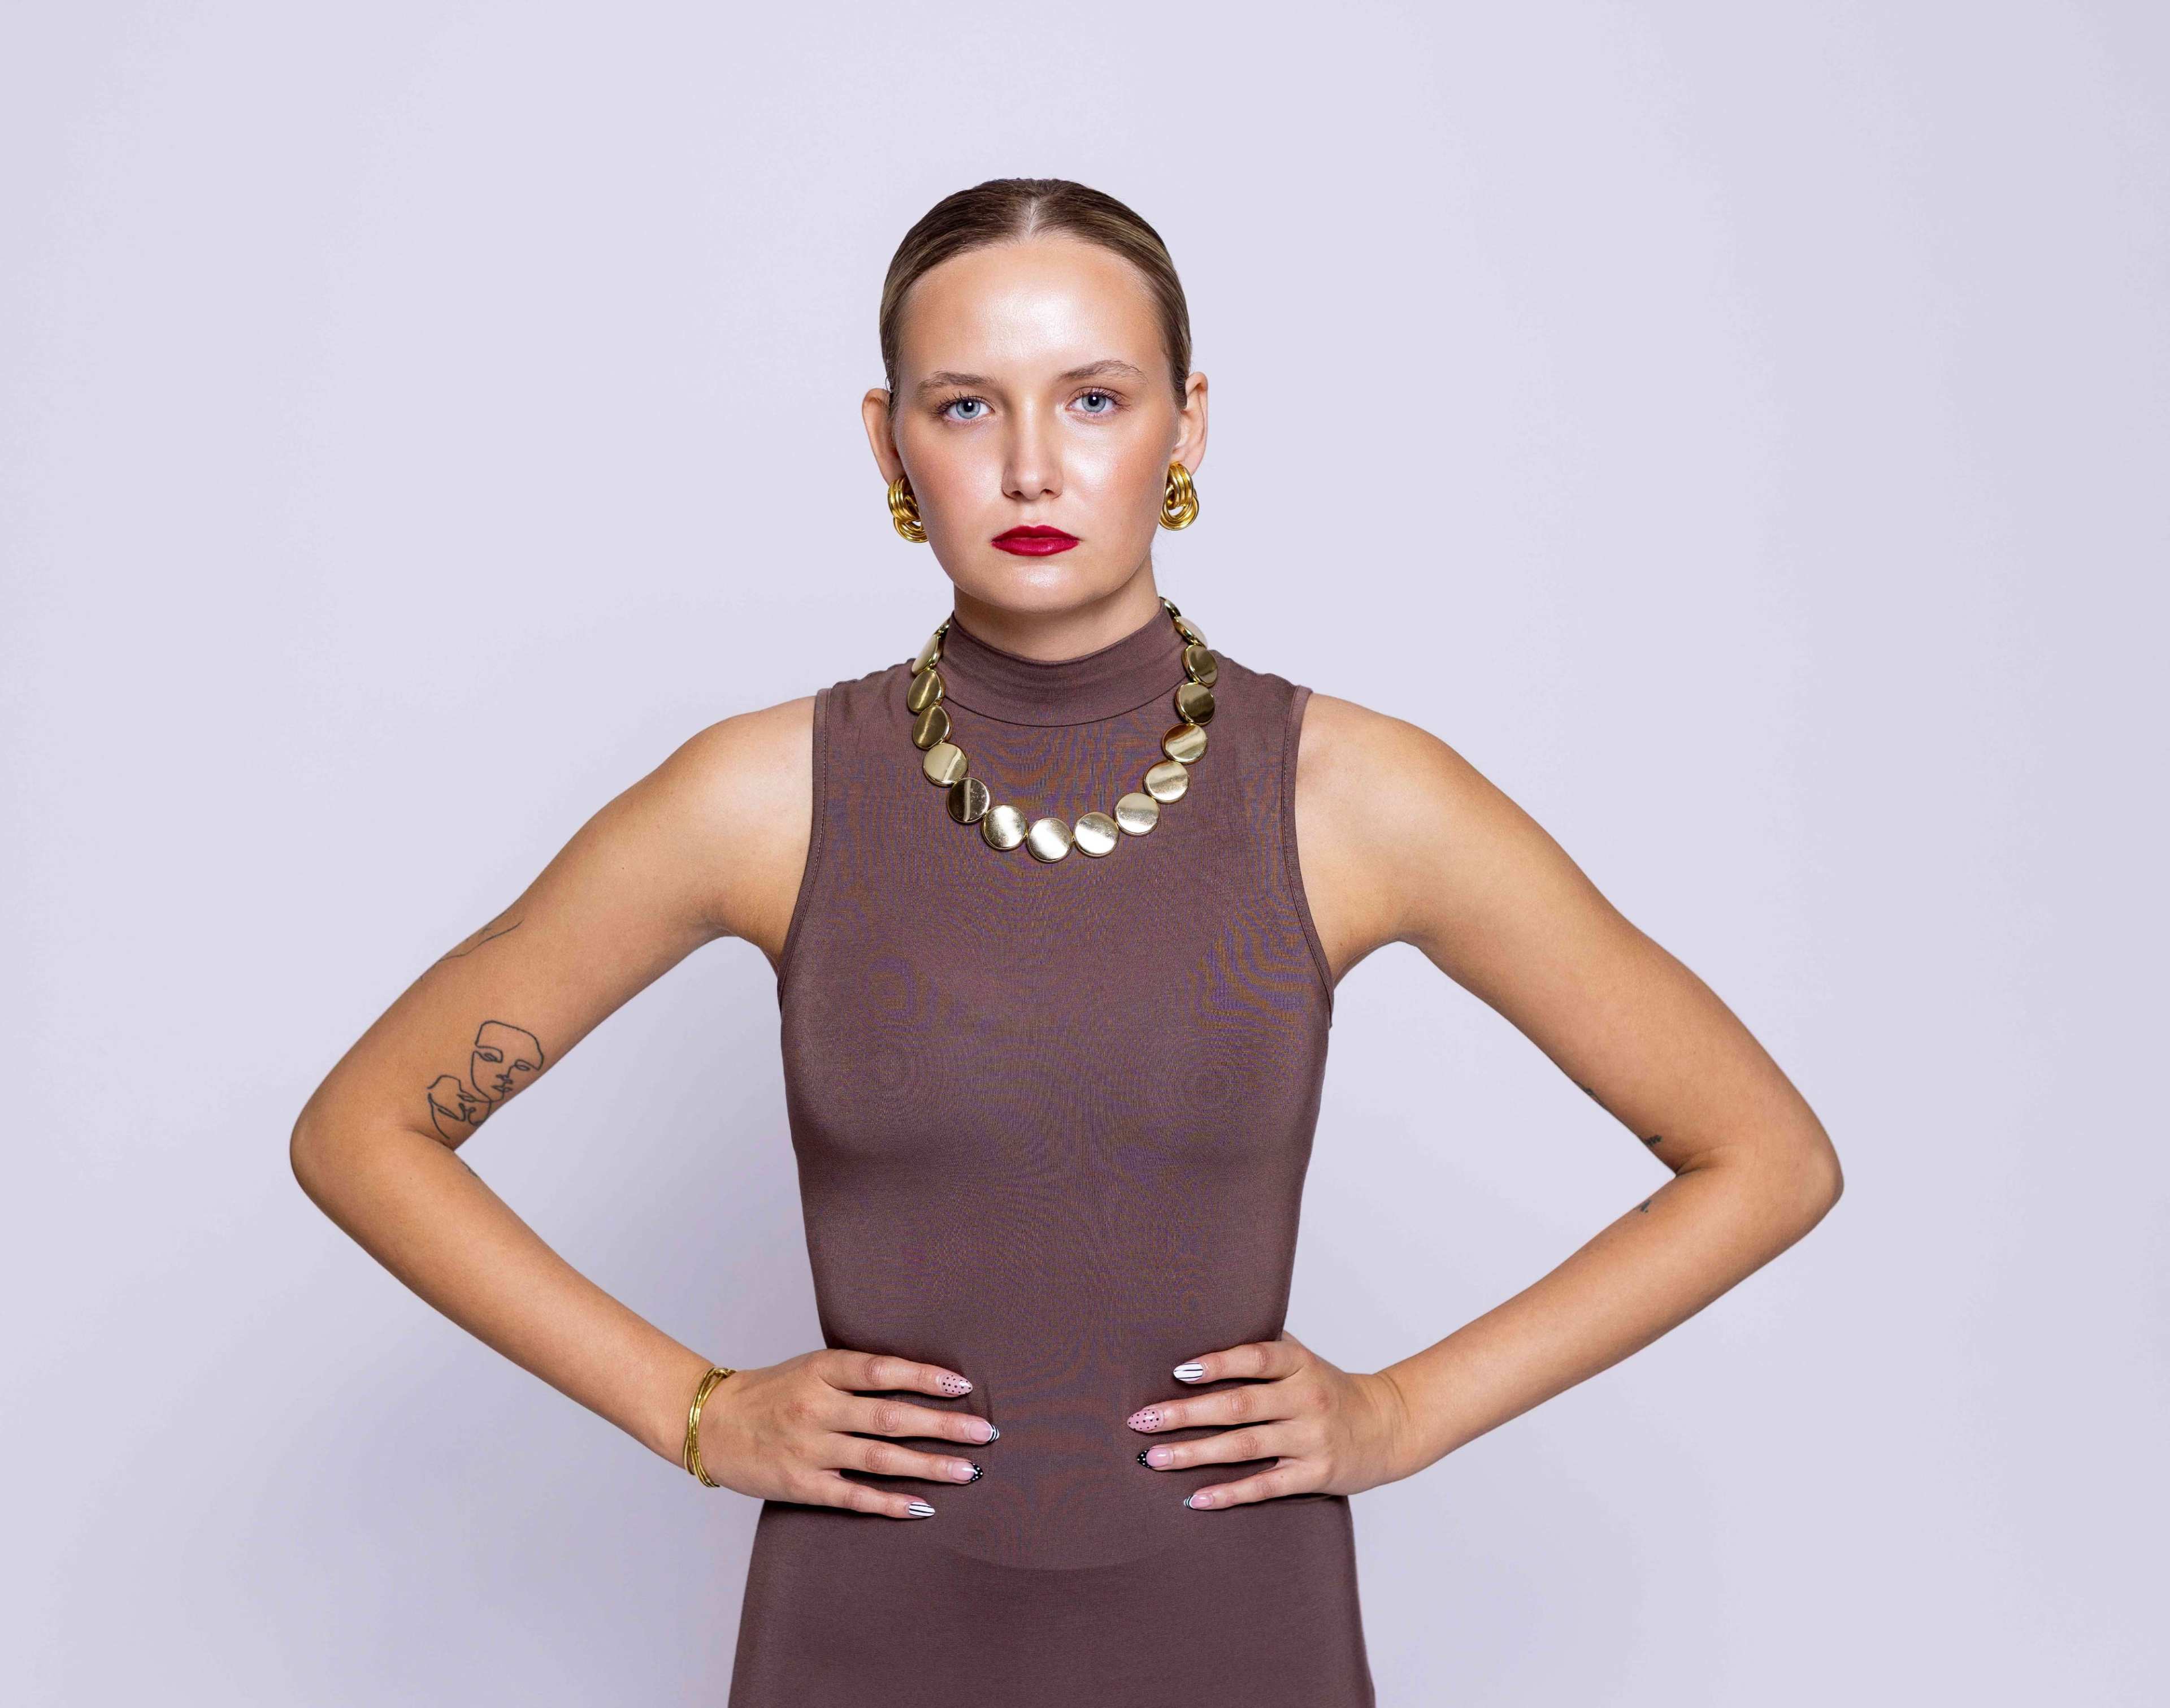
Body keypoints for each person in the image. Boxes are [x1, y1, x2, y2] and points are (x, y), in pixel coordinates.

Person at [290, 176, 1843, 1703]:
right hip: (861, 1639)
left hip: (1243, 1641)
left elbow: (1766, 1159)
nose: (1032, 466)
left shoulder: (1354, 797)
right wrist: (691, 1410)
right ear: (888, 443)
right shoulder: (763, 798)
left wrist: (1404, 1414)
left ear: (1188, 423)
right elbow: (364, 1131)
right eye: (966, 407)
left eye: (1094, 399)